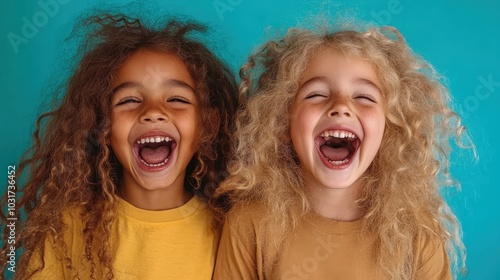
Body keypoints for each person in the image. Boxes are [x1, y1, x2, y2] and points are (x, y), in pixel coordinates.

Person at [213, 23, 469, 280]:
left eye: (364, 97)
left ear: (390, 128)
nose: (341, 107)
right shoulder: (250, 225)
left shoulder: (417, 235)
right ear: (281, 122)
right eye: (316, 94)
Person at [0, 13, 237, 280]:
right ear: (102, 125)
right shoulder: (65, 229)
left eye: (176, 98)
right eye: (129, 100)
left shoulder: (228, 232)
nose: (153, 112)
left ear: (208, 123)